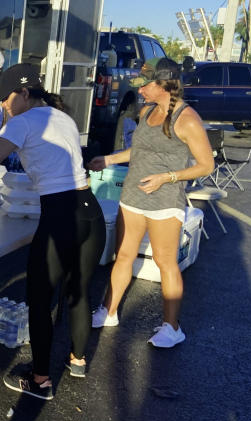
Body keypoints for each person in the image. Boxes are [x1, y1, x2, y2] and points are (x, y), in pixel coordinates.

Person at [0, 64, 106, 400]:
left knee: (40, 299)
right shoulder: (63, 117)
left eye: (8, 98)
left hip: (60, 216)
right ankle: (78, 359)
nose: (5, 105)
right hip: (90, 211)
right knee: (80, 291)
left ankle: (40, 380)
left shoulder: (23, 122)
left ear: (25, 92)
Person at [88, 58, 214, 348]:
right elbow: (139, 151)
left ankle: (172, 327)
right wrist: (108, 159)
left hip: (165, 200)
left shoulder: (187, 118)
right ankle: (109, 311)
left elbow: (206, 165)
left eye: (145, 85)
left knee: (165, 262)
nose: (140, 90)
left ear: (163, 84)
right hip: (132, 196)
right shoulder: (147, 112)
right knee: (122, 256)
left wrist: (167, 177)